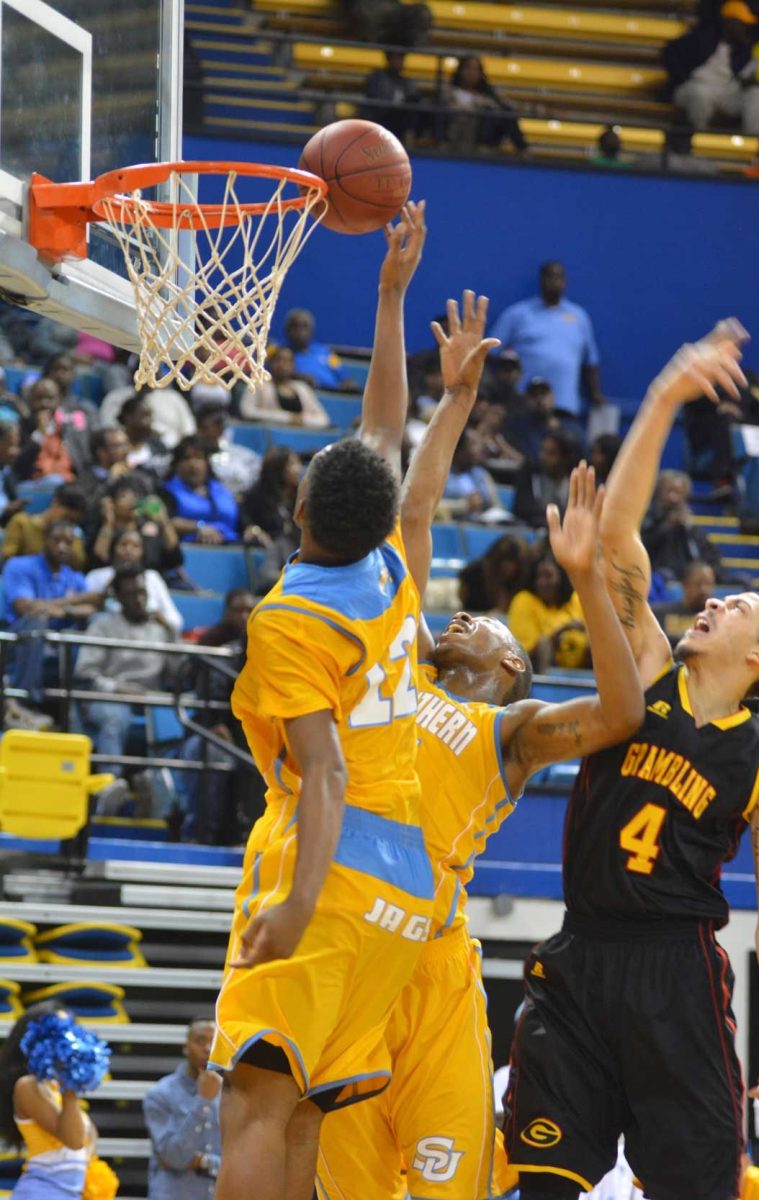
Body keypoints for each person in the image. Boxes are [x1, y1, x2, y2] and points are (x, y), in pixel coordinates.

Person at [316, 293, 644, 1200]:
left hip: (432, 963)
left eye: (484, 621)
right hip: (351, 953)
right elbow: (411, 518)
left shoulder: (514, 732)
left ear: (510, 666)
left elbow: (620, 711)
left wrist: (583, 578)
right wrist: (455, 399)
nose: (460, 611)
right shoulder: (399, 671)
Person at [504, 323, 759, 1200]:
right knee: (547, 1180)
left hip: (679, 972)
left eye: (737, 605)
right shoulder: (649, 677)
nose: (713, 600)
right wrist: (669, 389)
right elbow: (615, 537)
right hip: (582, 953)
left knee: (700, 1186)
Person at [209, 202, 435, 1200]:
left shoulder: (291, 620)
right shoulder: (388, 565)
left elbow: (324, 769)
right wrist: (391, 292)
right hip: (403, 874)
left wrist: (297, 902)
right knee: (300, 1110)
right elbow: (384, 427)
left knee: (253, 1101)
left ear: (295, 511)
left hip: (325, 862)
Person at [75, 567, 178, 778]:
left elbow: (177, 675)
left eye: (142, 593)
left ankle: (161, 791)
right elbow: (85, 673)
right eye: (132, 594)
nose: (139, 599)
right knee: (115, 717)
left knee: (179, 715)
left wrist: (171, 631)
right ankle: (111, 784)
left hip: (151, 698)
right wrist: (119, 689)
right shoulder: (102, 627)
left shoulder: (160, 629)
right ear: (119, 598)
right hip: (109, 696)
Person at [177, 589, 257, 844]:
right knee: (212, 753)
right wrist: (216, 723)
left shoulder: (266, 650)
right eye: (238, 610)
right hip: (211, 731)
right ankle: (201, 836)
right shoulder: (215, 648)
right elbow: (209, 692)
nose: (244, 617)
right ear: (225, 612)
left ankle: (250, 835)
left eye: (250, 611)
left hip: (251, 736)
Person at [3, 521, 101, 726]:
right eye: (57, 540)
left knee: (96, 623)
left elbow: (93, 604)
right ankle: (23, 700)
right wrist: (75, 603)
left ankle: (85, 700)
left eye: (68, 542)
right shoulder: (20, 565)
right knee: (36, 622)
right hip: (16, 640)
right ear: (44, 540)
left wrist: (64, 608)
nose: (62, 547)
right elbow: (26, 607)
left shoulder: (73, 576)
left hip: (59, 642)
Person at [0, 1001, 95, 1199]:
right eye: (57, 1032)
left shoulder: (56, 1086)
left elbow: (89, 1136)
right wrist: (70, 1087)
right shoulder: (28, 1086)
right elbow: (74, 1141)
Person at [491, 262, 603, 416]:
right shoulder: (517, 314)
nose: (554, 282)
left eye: (559, 277)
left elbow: (590, 362)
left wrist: (595, 393)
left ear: (565, 281)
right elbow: (489, 353)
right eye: (550, 276)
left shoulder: (579, 317)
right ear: (541, 280)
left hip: (565, 406)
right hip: (523, 404)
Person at [143, 1017, 221, 1200]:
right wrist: (203, 1101)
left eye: (214, 1041)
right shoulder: (160, 1094)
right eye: (200, 1041)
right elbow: (174, 1157)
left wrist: (203, 1162)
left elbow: (240, 1163)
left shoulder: (232, 1095)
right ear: (186, 1046)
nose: (208, 1048)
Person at [664, 0, 759, 135]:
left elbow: (744, 76)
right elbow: (670, 51)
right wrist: (681, 77)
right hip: (695, 86)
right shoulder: (702, 38)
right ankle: (698, 139)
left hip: (726, 92)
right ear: (729, 22)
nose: (745, 28)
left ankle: (753, 140)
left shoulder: (744, 49)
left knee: (758, 93)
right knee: (700, 94)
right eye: (741, 24)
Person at [84, 528, 183, 636]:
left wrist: (160, 619)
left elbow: (176, 621)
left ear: (143, 551)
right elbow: (88, 614)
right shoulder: (96, 576)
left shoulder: (152, 577)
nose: (129, 550)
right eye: (123, 544)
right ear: (114, 547)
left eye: (135, 546)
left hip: (149, 636)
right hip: (111, 636)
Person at [508, 554, 588, 671]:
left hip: (581, 665)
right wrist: (559, 633)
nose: (542, 582)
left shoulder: (576, 599)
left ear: (561, 578)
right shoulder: (524, 600)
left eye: (548, 576)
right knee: (544, 644)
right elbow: (524, 655)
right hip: (538, 668)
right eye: (539, 577)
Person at [642, 468, 724, 581]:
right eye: (670, 491)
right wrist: (667, 526)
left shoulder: (691, 527)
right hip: (659, 574)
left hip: (690, 575)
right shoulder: (648, 518)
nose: (674, 498)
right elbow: (643, 547)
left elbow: (711, 555)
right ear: (659, 492)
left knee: (741, 580)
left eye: (679, 492)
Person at [91, 477, 183, 575]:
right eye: (124, 496)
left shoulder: (148, 531)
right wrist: (107, 522)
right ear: (111, 503)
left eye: (135, 496)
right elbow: (98, 561)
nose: (131, 501)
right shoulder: (104, 529)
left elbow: (174, 558)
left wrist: (163, 519)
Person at [240, 447, 302, 589]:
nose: (298, 469)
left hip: (296, 551)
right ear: (278, 468)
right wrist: (254, 529)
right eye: (292, 464)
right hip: (272, 551)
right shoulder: (257, 495)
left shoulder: (300, 497)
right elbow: (246, 522)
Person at [160, 437, 240, 544]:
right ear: (176, 465)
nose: (193, 464)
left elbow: (241, 521)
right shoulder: (166, 492)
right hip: (189, 547)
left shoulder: (223, 490)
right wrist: (199, 527)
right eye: (186, 458)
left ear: (207, 463)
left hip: (231, 546)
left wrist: (252, 529)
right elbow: (166, 521)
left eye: (199, 457)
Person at [442, 55, 527, 153]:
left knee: (505, 112)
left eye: (475, 69)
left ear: (481, 73)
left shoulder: (489, 99)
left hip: (480, 143)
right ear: (460, 71)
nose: (471, 73)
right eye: (468, 68)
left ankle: (522, 150)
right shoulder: (448, 94)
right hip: (453, 138)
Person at [2, 482, 87, 570]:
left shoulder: (72, 535)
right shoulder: (22, 523)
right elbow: (7, 559)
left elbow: (79, 565)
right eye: (66, 518)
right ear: (55, 503)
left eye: (73, 522)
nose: (67, 524)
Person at [239, 348, 330, 428]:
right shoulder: (258, 384)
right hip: (270, 435)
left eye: (288, 361)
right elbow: (247, 411)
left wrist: (301, 420)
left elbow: (324, 420)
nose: (282, 365)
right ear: (270, 363)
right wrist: (287, 418)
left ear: (294, 366)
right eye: (278, 360)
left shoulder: (303, 388)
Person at [513, 427, 584, 529]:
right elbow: (522, 508)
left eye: (551, 453)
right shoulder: (529, 472)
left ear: (565, 459)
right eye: (543, 451)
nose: (543, 457)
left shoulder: (576, 479)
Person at [99, 381, 196, 448]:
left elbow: (189, 431)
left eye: (148, 416)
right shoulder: (115, 397)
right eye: (143, 416)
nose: (148, 421)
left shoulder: (173, 397)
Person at [281, 309, 358, 392]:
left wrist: (348, 383)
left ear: (311, 331)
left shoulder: (325, 352)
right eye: (294, 326)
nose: (299, 331)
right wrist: (298, 378)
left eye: (304, 326)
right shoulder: (281, 353)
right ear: (287, 330)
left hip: (334, 393)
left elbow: (344, 377)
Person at [194, 405, 261, 499]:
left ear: (220, 429)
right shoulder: (192, 460)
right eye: (199, 428)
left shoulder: (242, 455)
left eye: (206, 428)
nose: (201, 433)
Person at [441, 427, 505, 518]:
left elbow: (497, 506)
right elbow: (434, 506)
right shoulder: (442, 475)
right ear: (458, 449)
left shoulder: (482, 474)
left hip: (482, 525)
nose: (477, 450)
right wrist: (465, 505)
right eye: (472, 445)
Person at [652, 560, 717, 646]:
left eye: (708, 584)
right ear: (685, 585)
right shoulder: (659, 613)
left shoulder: (717, 619)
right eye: (698, 584)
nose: (703, 590)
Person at [363, 51, 422, 144]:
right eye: (396, 59)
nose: (399, 62)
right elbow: (374, 99)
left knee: (415, 105)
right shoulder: (377, 78)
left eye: (401, 60)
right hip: (383, 115)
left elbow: (413, 98)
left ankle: (411, 141)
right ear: (389, 60)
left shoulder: (406, 81)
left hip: (401, 116)